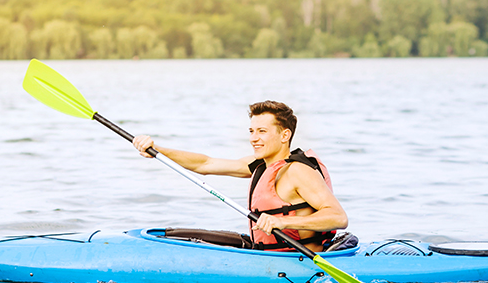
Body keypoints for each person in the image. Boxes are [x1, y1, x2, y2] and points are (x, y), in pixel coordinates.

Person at [132, 100, 348, 251]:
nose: (254, 138)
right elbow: (205, 163)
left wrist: (280, 222)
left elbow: (339, 217)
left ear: (285, 135)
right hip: (267, 253)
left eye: (262, 131)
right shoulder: (260, 165)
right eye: (251, 131)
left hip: (297, 259)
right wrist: (158, 150)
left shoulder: (297, 171)